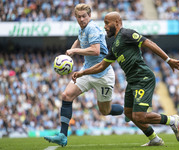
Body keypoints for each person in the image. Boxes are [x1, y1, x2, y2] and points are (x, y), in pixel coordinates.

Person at [72, 12, 179, 146]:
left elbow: (148, 43)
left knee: (139, 116)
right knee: (129, 113)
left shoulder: (126, 34)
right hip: (132, 81)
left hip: (143, 77)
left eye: (107, 23)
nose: (105, 27)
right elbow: (102, 65)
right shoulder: (115, 46)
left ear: (116, 22)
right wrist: (82, 73)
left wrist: (168, 60)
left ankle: (172, 120)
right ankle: (154, 139)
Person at [44, 4, 124, 147]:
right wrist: (71, 49)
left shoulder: (92, 28)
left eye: (84, 16)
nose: (81, 19)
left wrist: (75, 51)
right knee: (66, 95)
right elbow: (80, 39)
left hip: (103, 74)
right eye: (79, 17)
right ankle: (62, 135)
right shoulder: (82, 29)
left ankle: (127, 111)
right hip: (87, 71)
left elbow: (95, 51)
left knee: (105, 111)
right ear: (75, 17)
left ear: (89, 16)